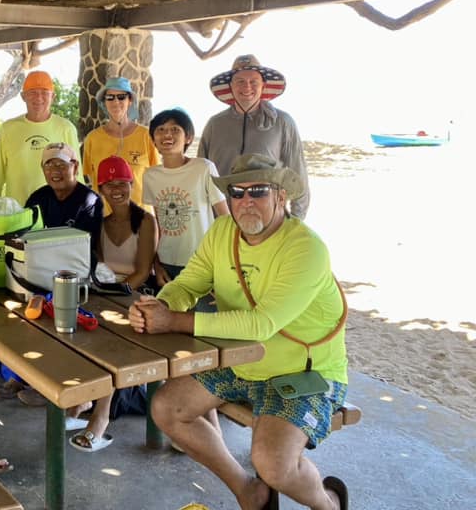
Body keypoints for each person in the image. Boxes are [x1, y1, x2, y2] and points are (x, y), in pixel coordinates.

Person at [130, 154, 349, 510]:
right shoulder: (221, 232)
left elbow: (261, 324)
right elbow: (189, 283)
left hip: (304, 372)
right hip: (239, 361)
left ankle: (328, 502)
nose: (246, 202)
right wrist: (162, 305)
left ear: (281, 196)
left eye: (258, 191)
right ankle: (248, 492)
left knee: (273, 464)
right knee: (167, 408)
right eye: (237, 192)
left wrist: (175, 322)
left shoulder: (306, 248)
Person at [0, 142, 103, 405]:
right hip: (38, 275)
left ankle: (51, 387)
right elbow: (27, 238)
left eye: (61, 164)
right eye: (49, 164)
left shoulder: (90, 200)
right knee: (20, 317)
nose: (55, 170)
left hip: (75, 279)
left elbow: (88, 247)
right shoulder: (38, 197)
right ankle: (21, 376)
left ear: (74, 166)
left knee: (62, 325)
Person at [67, 156, 158, 453]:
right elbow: (97, 266)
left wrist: (119, 292)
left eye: (122, 183)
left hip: (136, 292)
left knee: (114, 340)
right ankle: (85, 396)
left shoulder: (146, 220)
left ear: (131, 184)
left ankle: (100, 417)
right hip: (106, 290)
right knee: (77, 326)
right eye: (109, 185)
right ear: (101, 189)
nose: (116, 190)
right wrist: (103, 291)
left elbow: (144, 270)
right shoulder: (101, 224)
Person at [198, 55, 310, 218]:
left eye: (253, 81)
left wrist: (296, 222)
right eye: (240, 81)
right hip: (222, 220)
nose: (247, 87)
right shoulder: (214, 125)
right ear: (231, 86)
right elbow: (202, 176)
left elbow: (298, 176)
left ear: (263, 85)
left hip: (269, 220)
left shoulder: (283, 122)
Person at [143, 107, 229, 289]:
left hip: (204, 262)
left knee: (201, 316)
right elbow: (157, 224)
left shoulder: (204, 168)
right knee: (168, 315)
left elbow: (225, 219)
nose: (167, 135)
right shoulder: (150, 175)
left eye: (175, 129)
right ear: (153, 140)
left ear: (188, 137)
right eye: (161, 130)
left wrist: (222, 262)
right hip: (167, 264)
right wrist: (156, 264)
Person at [0, 70, 79, 205]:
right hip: (17, 212)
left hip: (56, 210)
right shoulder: (8, 128)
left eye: (44, 93)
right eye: (32, 92)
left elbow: (77, 173)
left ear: (53, 97)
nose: (38, 98)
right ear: (23, 96)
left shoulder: (66, 128)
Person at [81, 77, 158, 209]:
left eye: (121, 97)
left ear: (130, 101)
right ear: (104, 102)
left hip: (141, 220)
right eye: (110, 97)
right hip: (105, 221)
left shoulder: (147, 136)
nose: (116, 101)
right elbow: (91, 178)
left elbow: (157, 180)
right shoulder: (92, 139)